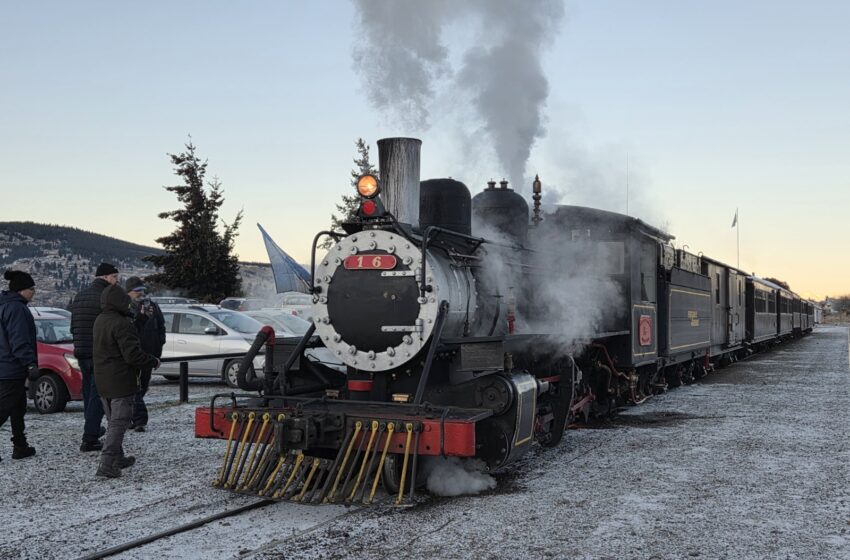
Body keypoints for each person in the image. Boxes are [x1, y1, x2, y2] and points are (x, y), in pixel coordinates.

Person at [93, 284, 160, 478]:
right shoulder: (121, 323)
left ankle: (117, 458)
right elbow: (133, 355)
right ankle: (106, 463)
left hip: (103, 379)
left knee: (113, 420)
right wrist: (153, 361)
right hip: (120, 380)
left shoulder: (101, 320)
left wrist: (139, 320)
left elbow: (124, 337)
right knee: (119, 423)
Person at [70, 262, 119, 452]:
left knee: (88, 393)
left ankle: (91, 428)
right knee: (98, 396)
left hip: (81, 351)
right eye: (114, 277)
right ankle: (89, 437)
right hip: (99, 353)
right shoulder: (106, 297)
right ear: (106, 277)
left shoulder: (80, 296)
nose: (116, 281)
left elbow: (73, 326)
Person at [0, 270, 38, 461]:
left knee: (17, 407)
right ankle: (20, 445)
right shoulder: (17, 309)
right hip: (11, 368)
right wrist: (30, 363)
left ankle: (20, 445)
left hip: (5, 366)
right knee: (4, 408)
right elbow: (19, 340)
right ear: (22, 290)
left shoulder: (4, 305)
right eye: (32, 289)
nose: (33, 293)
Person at [124, 277, 166, 432]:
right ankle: (138, 419)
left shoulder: (153, 307)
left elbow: (161, 327)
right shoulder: (125, 308)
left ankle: (134, 418)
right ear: (129, 292)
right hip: (133, 354)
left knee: (142, 387)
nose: (141, 294)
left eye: (142, 290)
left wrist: (158, 349)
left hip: (149, 354)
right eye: (137, 291)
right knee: (133, 388)